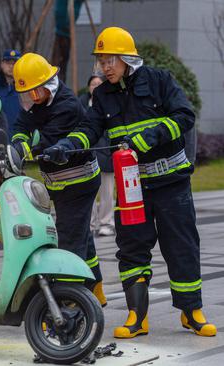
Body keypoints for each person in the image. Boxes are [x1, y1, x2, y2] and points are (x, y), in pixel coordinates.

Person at [44, 27, 217, 338]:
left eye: (110, 60)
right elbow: (89, 127)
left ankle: (192, 313)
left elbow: (184, 116)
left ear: (126, 58)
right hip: (132, 187)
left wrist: (148, 137)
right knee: (132, 248)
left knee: (182, 246)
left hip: (171, 183)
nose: (105, 67)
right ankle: (137, 317)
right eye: (101, 61)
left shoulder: (160, 80)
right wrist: (67, 147)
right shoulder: (103, 95)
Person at [11, 53, 106, 306]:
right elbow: (20, 126)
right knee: (83, 238)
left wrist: (24, 152)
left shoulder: (67, 105)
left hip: (79, 184)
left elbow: (45, 142)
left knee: (69, 242)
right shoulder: (38, 100)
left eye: (33, 91)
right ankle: (95, 289)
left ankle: (69, 303)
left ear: (46, 84)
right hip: (60, 184)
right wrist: (18, 142)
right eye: (26, 93)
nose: (30, 98)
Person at [80, 75, 115, 236]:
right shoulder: (81, 104)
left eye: (99, 84)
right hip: (89, 154)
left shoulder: (110, 102)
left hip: (106, 152)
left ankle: (106, 222)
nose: (96, 86)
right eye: (93, 84)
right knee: (89, 192)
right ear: (88, 87)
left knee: (107, 192)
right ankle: (91, 223)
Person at [0, 49, 21, 135]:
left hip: (20, 138)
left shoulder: (26, 87)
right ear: (2, 64)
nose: (11, 66)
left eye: (15, 63)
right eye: (8, 63)